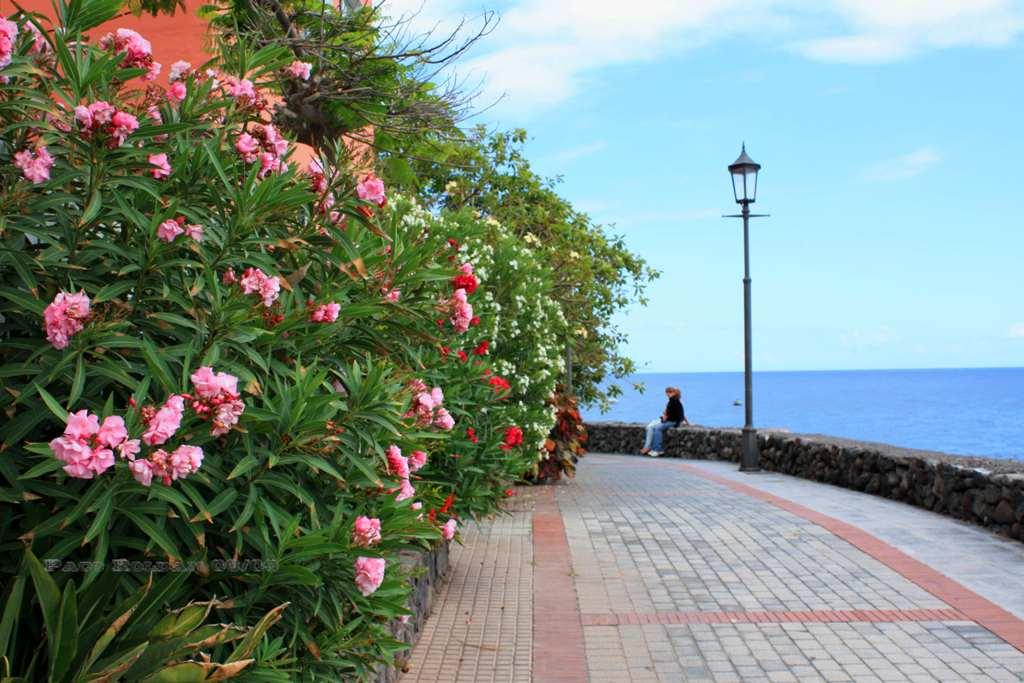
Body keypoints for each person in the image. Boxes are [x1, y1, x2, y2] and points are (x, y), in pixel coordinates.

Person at [640, 387, 688, 457]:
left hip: (673, 422)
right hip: (674, 421)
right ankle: (652, 448)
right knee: (654, 427)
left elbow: (668, 416)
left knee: (657, 428)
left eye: (669, 393)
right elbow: (681, 415)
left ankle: (657, 450)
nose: (668, 394)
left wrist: (663, 419)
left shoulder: (672, 401)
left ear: (673, 393)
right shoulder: (676, 401)